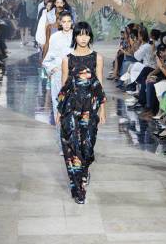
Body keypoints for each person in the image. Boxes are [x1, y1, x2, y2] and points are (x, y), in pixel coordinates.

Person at [55, 22, 106, 204]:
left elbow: (99, 84)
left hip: (90, 108)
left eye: (86, 34)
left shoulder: (97, 58)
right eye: (80, 34)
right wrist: (59, 111)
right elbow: (64, 87)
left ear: (90, 36)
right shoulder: (67, 59)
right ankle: (78, 188)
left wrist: (102, 109)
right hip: (71, 107)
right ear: (74, 36)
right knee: (72, 146)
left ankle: (84, 171)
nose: (83, 38)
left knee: (88, 146)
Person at [42, 11, 74, 148]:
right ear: (60, 22)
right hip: (58, 77)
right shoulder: (55, 37)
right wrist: (51, 69)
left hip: (74, 77)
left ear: (72, 22)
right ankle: (62, 144)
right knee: (58, 108)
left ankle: (72, 142)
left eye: (69, 21)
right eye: (64, 21)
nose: (66, 24)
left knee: (73, 109)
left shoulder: (78, 36)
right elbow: (47, 59)